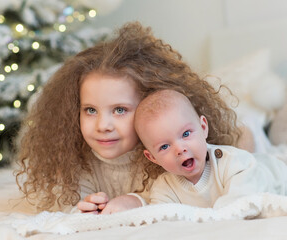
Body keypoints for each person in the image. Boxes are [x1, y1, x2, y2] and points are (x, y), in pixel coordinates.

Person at [15, 21, 243, 214]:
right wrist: (82, 208)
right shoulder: (76, 161)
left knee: (244, 138)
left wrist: (133, 201)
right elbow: (66, 207)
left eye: (120, 110)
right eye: (90, 110)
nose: (103, 126)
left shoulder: (174, 151)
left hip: (238, 142)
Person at [134, 89, 287, 209]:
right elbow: (160, 218)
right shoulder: (164, 188)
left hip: (278, 175)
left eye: (186, 134)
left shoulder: (233, 163)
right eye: (165, 146)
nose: (180, 149)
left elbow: (242, 203)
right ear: (152, 157)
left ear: (203, 128)